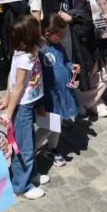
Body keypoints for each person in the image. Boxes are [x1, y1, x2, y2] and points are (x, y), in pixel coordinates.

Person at [0, 15, 49, 200]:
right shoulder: (25, 57)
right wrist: (9, 112)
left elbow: (10, 76)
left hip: (30, 102)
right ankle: (21, 185)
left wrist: (5, 95)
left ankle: (32, 173)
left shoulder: (26, 51)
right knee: (23, 147)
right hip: (23, 106)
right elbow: (18, 85)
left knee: (29, 140)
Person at [37, 14, 80, 166]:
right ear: (47, 33)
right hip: (49, 95)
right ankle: (28, 155)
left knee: (58, 122)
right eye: (58, 35)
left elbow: (65, 61)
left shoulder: (58, 46)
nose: (61, 38)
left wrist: (71, 66)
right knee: (47, 127)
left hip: (62, 93)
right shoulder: (39, 49)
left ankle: (52, 149)